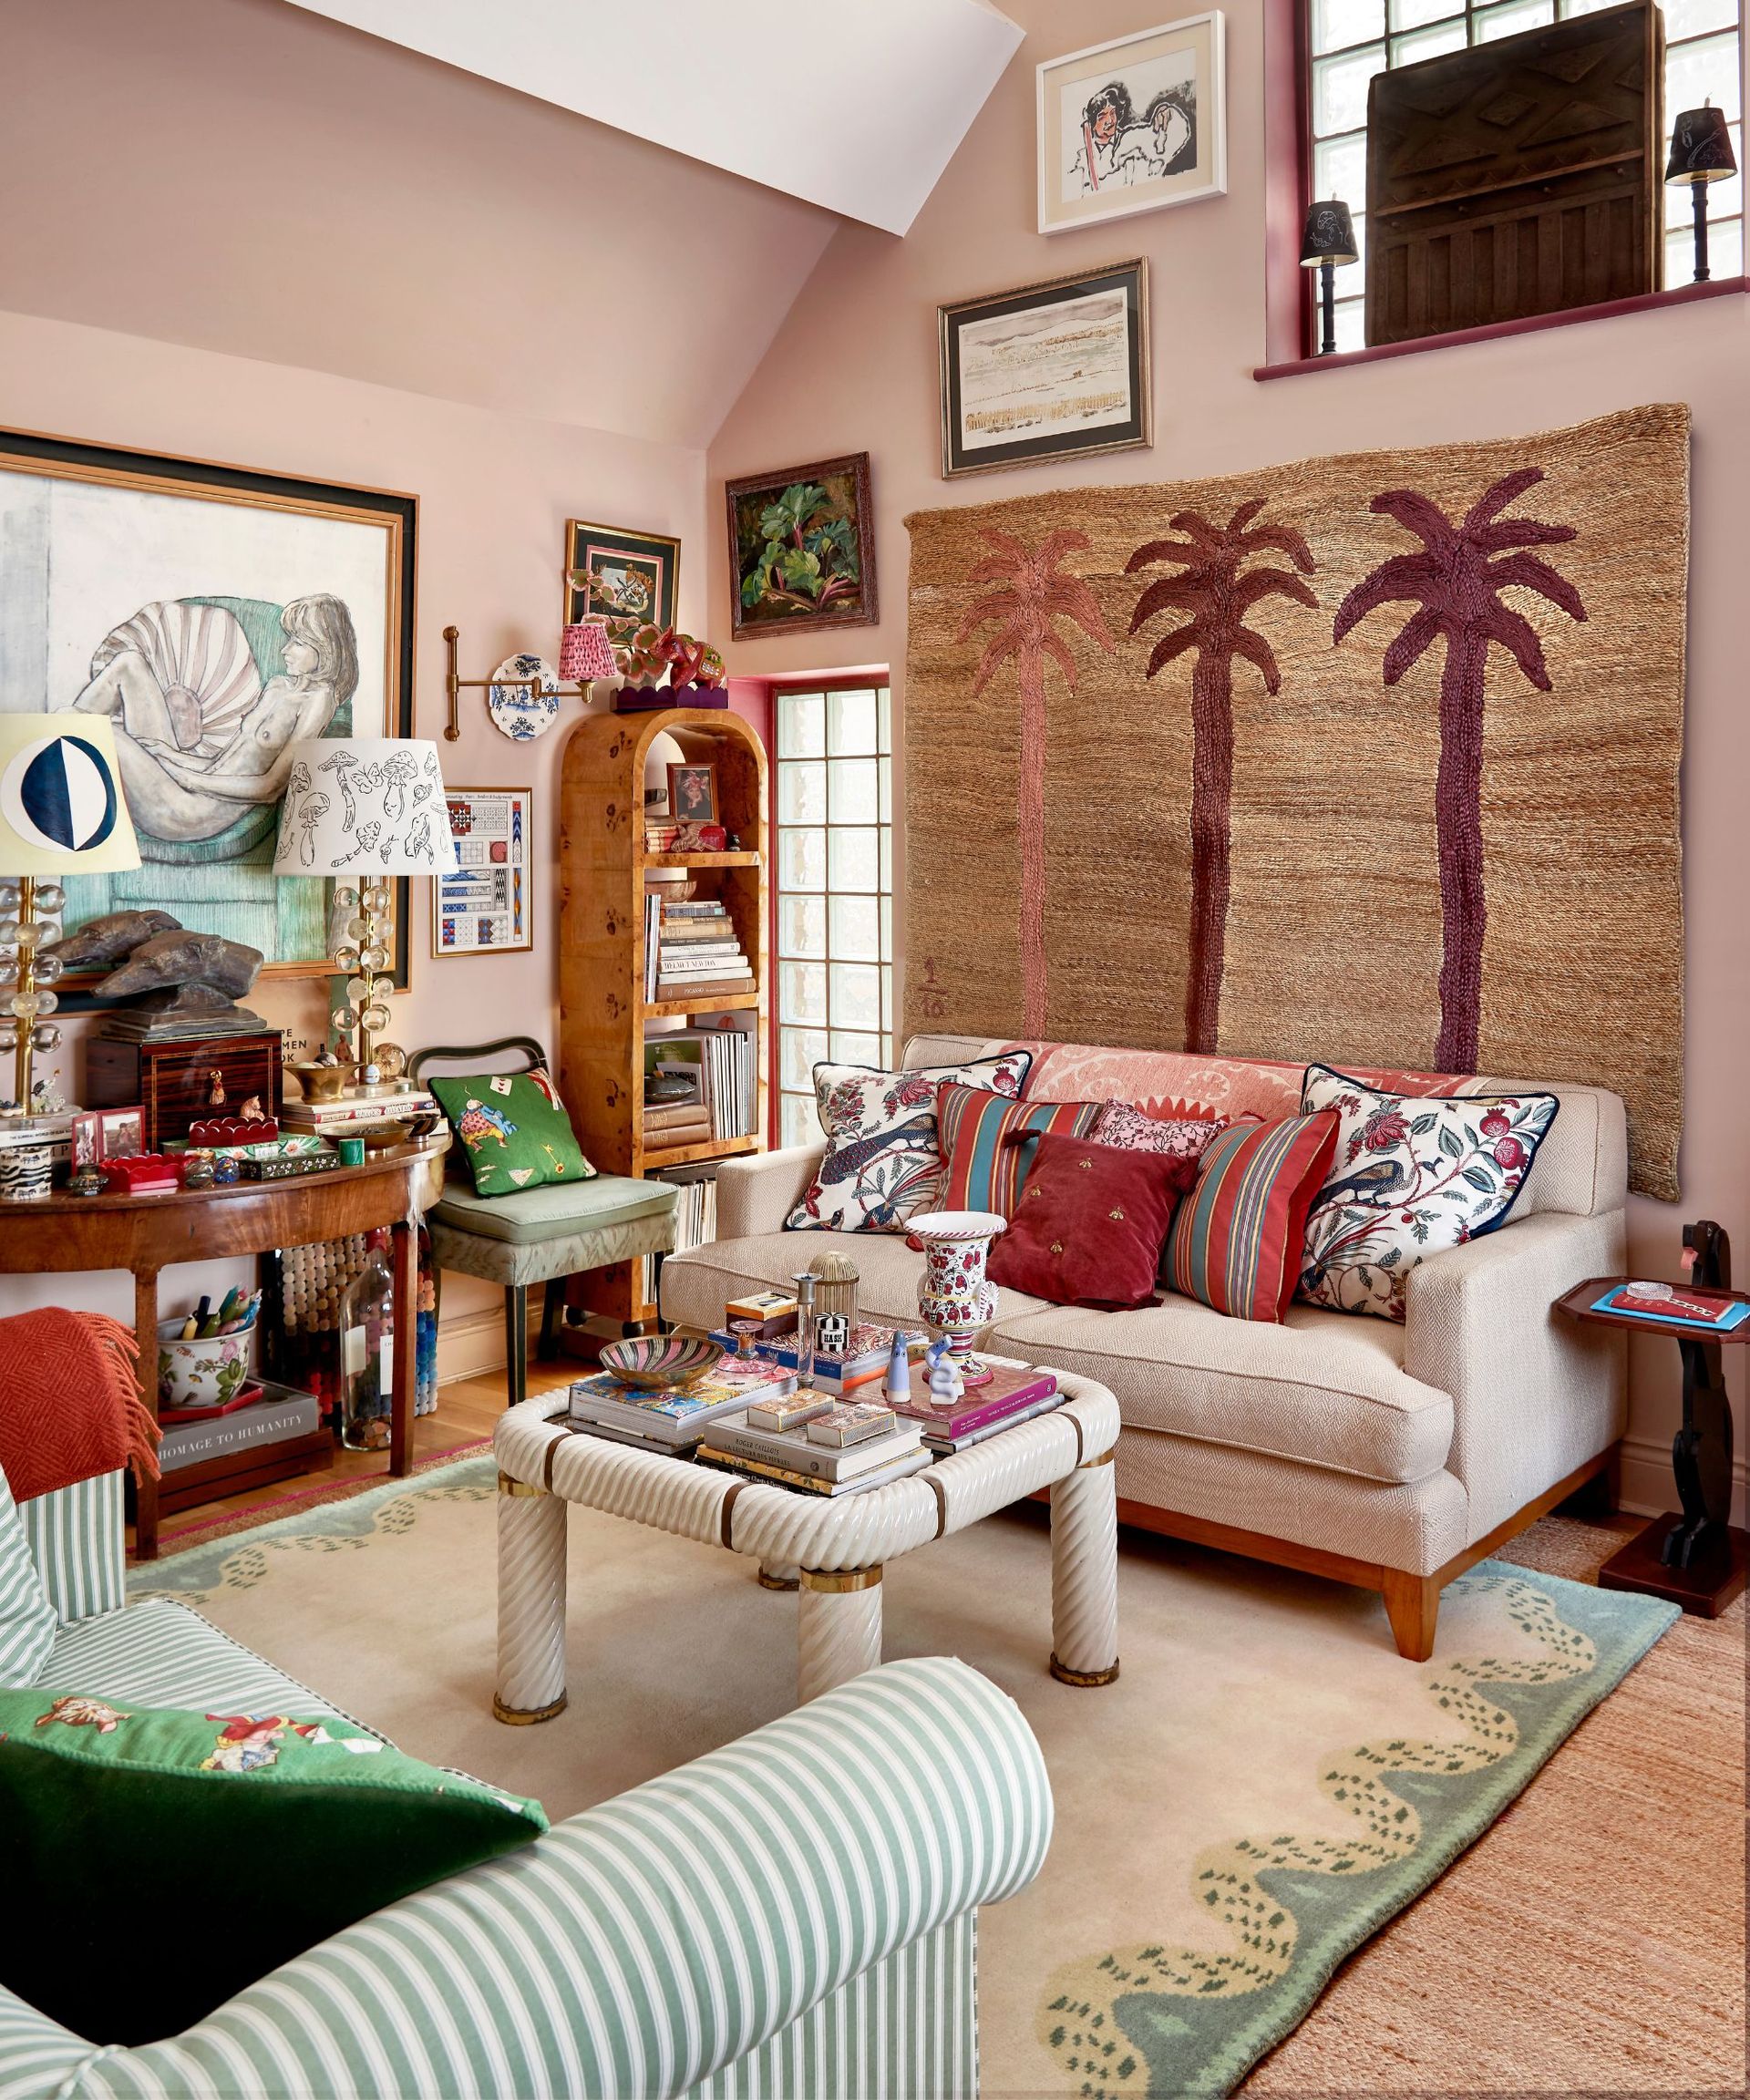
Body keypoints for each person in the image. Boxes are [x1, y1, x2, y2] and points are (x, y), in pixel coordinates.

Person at [69, 594, 359, 844]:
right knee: (129, 664)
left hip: (192, 812)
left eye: (298, 643)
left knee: (90, 729)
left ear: (326, 648)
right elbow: (223, 763)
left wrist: (189, 779)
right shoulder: (278, 687)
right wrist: (172, 757)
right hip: (191, 782)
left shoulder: (320, 701)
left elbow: (270, 788)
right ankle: (65, 775)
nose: (285, 650)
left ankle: (61, 785)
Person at [1065, 81, 1133, 194]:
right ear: (1092, 123)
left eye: (1112, 113)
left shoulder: (1126, 145)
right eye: (1102, 117)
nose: (1110, 121)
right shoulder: (1081, 157)